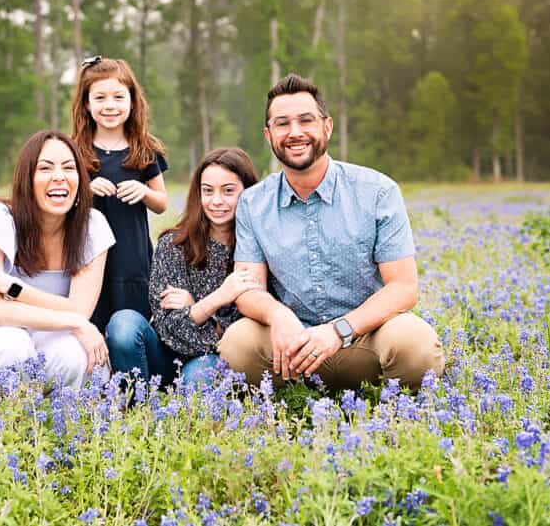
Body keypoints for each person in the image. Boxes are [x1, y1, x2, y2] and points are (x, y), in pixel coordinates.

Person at [218, 73, 444, 391]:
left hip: (367, 337)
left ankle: (397, 412)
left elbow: (404, 287)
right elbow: (247, 287)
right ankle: (277, 408)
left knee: (415, 344)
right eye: (282, 124)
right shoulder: (254, 203)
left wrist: (338, 331)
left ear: (327, 126)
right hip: (294, 346)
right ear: (268, 136)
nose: (295, 133)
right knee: (237, 344)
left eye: (306, 120)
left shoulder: (377, 191)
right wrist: (278, 314)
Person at [0, 131, 115, 392]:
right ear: (27, 179)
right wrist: (74, 320)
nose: (59, 176)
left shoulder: (92, 226)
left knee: (74, 355)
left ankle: (48, 418)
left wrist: (7, 285)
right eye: (45, 168)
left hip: (47, 334)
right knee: (13, 345)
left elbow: (79, 310)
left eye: (69, 167)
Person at [106, 148, 261, 385]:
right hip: (163, 355)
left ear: (249, 192)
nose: (216, 201)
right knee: (123, 324)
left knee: (196, 382)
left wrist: (194, 309)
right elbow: (170, 328)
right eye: (207, 191)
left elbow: (237, 338)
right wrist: (218, 300)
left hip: (211, 359)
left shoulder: (253, 253)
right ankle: (136, 407)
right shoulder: (173, 245)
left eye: (228, 191)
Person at [71, 56, 169, 333]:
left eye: (118, 97)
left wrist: (144, 192)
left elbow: (161, 203)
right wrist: (85, 192)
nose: (110, 106)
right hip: (88, 257)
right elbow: (63, 205)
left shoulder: (144, 149)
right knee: (92, 324)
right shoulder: (76, 151)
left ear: (132, 101)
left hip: (132, 259)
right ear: (87, 104)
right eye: (100, 98)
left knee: (128, 326)